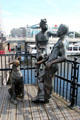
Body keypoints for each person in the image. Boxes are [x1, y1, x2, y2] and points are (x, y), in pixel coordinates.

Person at [32, 24, 69, 103]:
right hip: (50, 64)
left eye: (59, 30)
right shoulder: (61, 40)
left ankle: (45, 97)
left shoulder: (62, 42)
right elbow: (53, 54)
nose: (57, 31)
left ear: (62, 31)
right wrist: (42, 61)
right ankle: (42, 96)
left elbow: (64, 57)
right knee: (42, 79)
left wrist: (51, 62)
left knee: (46, 81)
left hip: (51, 66)